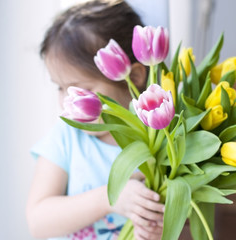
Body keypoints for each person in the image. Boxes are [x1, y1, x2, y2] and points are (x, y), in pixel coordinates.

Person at [26, 1, 164, 239]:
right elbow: (38, 220)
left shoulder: (162, 140)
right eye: (60, 88)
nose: (67, 102)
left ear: (135, 76)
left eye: (79, 89)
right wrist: (108, 197)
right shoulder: (65, 138)